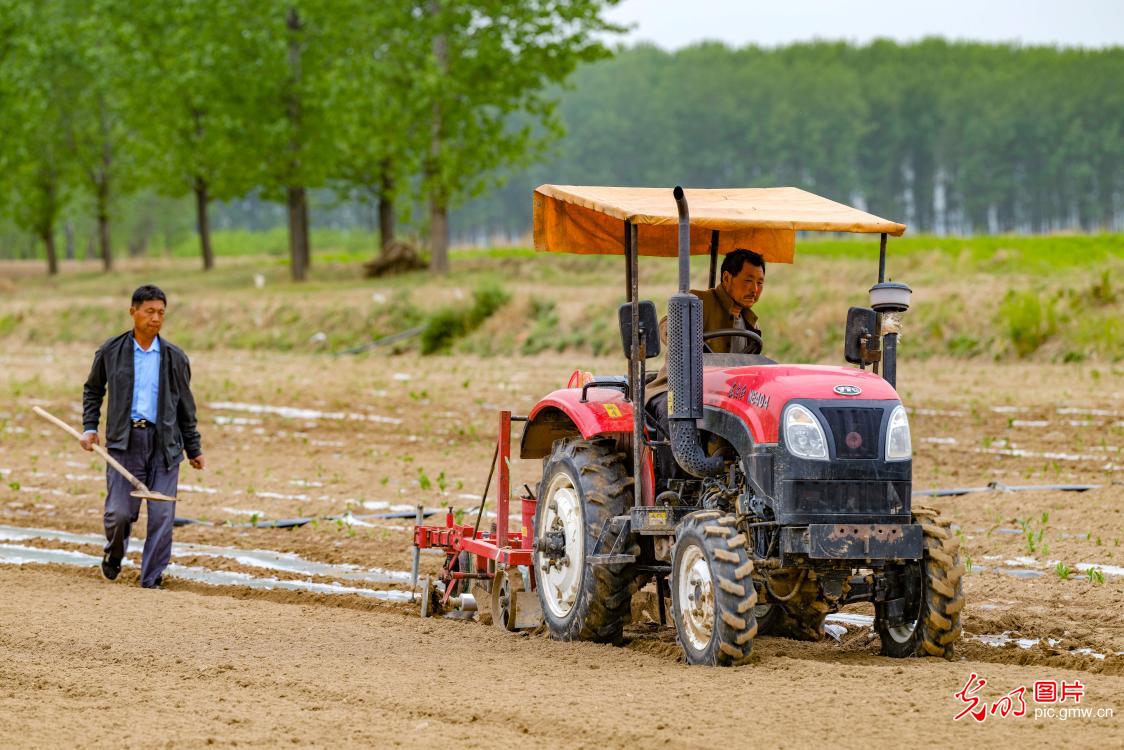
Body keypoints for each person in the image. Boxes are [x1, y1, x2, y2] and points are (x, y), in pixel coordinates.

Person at [80, 285, 204, 588]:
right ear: (133, 311)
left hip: (165, 447)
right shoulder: (111, 351)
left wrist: (194, 447)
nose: (156, 318)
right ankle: (114, 553)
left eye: (161, 312)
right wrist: (90, 427)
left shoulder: (175, 357)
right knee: (119, 514)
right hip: (125, 443)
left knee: (162, 515)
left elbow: (186, 406)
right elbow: (93, 390)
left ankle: (151, 579)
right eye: (149, 311)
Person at [646, 249, 766, 488]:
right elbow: (666, 326)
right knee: (678, 417)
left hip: (720, 397)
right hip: (676, 389)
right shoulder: (695, 303)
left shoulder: (749, 322)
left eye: (760, 282)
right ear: (727, 278)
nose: (754, 289)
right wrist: (681, 335)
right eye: (748, 281)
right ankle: (671, 491)